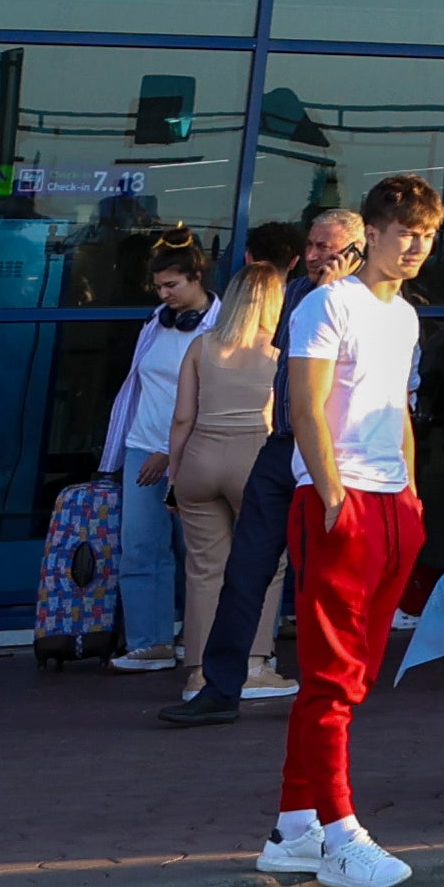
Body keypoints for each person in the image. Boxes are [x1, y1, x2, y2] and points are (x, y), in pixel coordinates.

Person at [255, 173, 441, 887]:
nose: (417, 245)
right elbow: (303, 405)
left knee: (351, 674)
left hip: (391, 499)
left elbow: (396, 405)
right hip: (340, 498)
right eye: (404, 233)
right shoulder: (328, 303)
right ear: (373, 231)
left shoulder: (404, 316)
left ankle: (293, 825)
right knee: (333, 673)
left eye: (427, 233)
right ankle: (339, 829)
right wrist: (331, 489)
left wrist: (414, 496)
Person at [161, 233, 307, 725]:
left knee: (204, 568)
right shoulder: (280, 352)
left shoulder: (203, 345)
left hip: (201, 454)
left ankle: (199, 672)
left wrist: (175, 471)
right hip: (256, 456)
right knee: (265, 565)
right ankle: (254, 664)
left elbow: (182, 416)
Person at [108, 239, 207, 676]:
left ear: (196, 278)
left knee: (198, 551)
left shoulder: (216, 328)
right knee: (141, 546)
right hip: (142, 444)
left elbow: (211, 397)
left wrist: (169, 453)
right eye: (158, 286)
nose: (163, 294)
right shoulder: (158, 322)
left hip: (192, 449)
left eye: (172, 285)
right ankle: (150, 642)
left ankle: (201, 638)